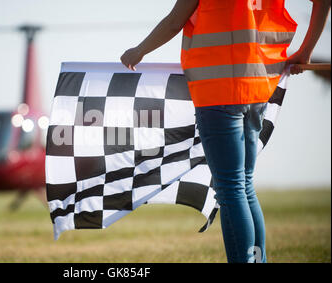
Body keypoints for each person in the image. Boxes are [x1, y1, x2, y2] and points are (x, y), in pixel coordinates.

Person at [121, 0, 331, 263]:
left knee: (231, 188)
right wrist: (306, 50)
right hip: (258, 87)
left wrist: (139, 51)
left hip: (218, 89)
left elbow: (175, 21)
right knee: (243, 184)